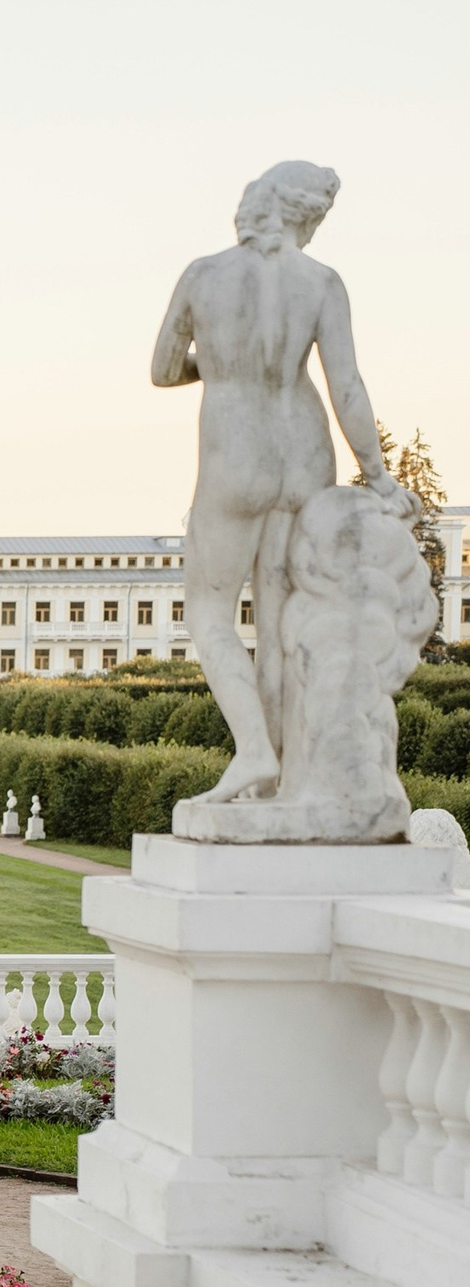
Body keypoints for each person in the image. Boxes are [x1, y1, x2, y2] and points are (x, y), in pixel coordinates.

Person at [152, 160, 414, 806]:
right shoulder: (321, 281)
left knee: (210, 613)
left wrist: (215, 364)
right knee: (282, 623)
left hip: (234, 450)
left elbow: (161, 369)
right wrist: (377, 475)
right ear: (306, 216)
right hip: (304, 448)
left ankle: (252, 753)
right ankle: (283, 782)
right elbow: (345, 384)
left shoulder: (204, 274)